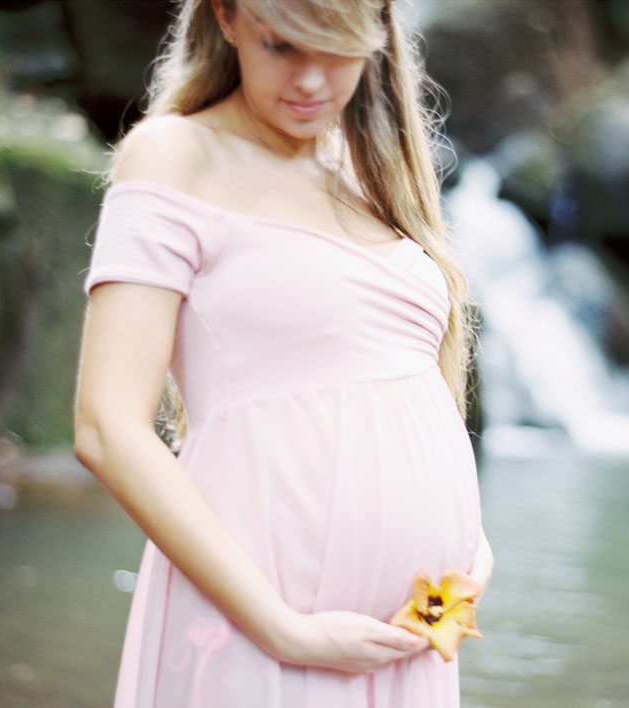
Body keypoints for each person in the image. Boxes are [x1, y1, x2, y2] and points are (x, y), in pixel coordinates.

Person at [73, 0, 493, 705]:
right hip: (263, 625)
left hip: (415, 631)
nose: (310, 80)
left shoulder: (372, 171)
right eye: (282, 46)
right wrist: (282, 630)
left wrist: (472, 547)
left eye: (337, 48)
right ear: (227, 18)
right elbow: (106, 429)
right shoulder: (176, 154)